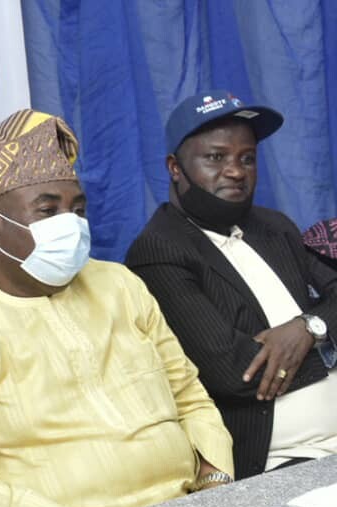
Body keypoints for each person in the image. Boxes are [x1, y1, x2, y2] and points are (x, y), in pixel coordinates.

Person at [0, 109, 234, 507]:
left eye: (78, 210)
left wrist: (216, 485)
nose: (71, 225)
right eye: (47, 211)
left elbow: (192, 399)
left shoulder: (120, 286)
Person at [125, 91, 337, 478]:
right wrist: (329, 349)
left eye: (247, 158)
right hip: (281, 459)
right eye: (215, 158)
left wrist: (307, 329)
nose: (236, 171)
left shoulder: (276, 227)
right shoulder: (159, 251)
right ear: (175, 167)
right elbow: (234, 371)